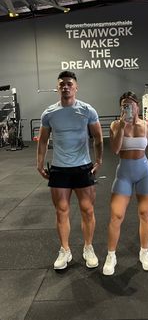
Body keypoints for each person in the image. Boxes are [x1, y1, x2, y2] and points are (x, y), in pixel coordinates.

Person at [37, 70, 103, 270]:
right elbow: (42, 141)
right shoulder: (49, 113)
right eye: (62, 84)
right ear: (58, 87)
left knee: (88, 210)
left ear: (76, 87)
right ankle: (65, 250)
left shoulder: (87, 110)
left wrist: (98, 160)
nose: (65, 87)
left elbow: (98, 138)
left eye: (69, 84)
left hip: (83, 167)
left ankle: (88, 248)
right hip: (59, 169)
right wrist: (39, 164)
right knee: (61, 211)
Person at [102, 91, 148, 276]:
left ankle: (144, 252)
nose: (127, 107)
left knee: (145, 214)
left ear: (137, 105)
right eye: (124, 105)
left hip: (144, 173)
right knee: (116, 215)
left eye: (130, 104)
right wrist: (122, 126)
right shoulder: (115, 125)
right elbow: (114, 150)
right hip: (124, 174)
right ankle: (111, 255)